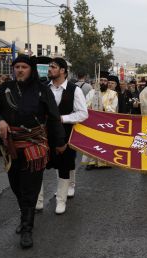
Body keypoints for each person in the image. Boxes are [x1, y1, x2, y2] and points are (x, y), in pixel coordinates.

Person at [0, 55, 66, 248]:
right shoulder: (4, 88)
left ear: (31, 69)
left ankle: (27, 229)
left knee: (30, 189)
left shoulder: (42, 90)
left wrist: (59, 142)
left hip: (35, 145)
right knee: (16, 186)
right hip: (11, 147)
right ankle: (25, 215)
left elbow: (54, 117)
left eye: (24, 67)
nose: (20, 70)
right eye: (17, 67)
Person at [36, 57, 88, 214]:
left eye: (53, 66)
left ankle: (61, 200)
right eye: (49, 67)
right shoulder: (43, 87)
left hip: (65, 134)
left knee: (65, 166)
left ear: (63, 70)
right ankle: (37, 201)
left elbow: (82, 114)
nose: (49, 69)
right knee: (38, 166)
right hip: (43, 134)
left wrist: (62, 118)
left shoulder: (74, 90)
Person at [82, 71, 118, 170]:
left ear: (107, 82)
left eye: (105, 80)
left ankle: (104, 162)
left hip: (106, 123)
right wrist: (93, 102)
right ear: (97, 81)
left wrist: (103, 106)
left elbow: (113, 109)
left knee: (105, 142)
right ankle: (91, 162)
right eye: (101, 80)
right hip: (93, 122)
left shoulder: (113, 94)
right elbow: (85, 106)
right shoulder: (91, 92)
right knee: (92, 141)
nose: (103, 82)